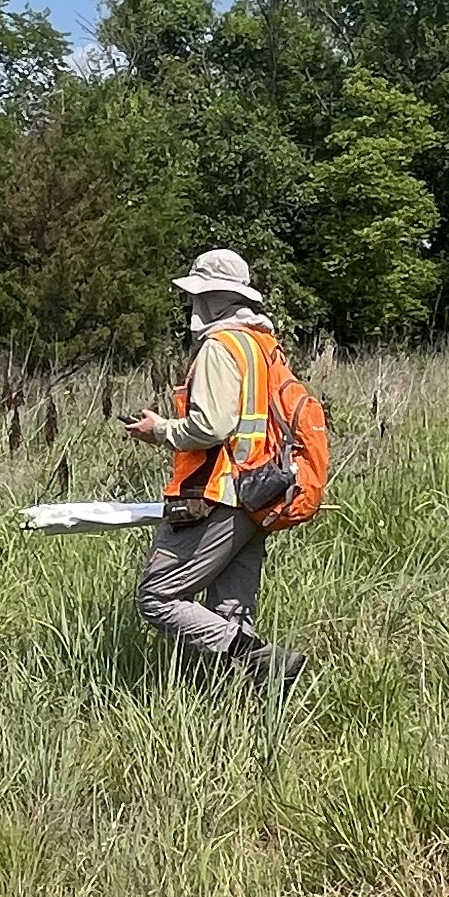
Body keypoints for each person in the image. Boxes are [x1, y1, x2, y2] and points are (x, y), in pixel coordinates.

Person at [122, 248, 307, 691]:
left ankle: (257, 657)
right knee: (230, 608)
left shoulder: (220, 347)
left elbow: (211, 424)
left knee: (157, 597)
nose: (192, 305)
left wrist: (159, 429)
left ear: (210, 298)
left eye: (196, 296)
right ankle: (244, 704)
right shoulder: (261, 346)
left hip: (217, 494)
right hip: (261, 491)